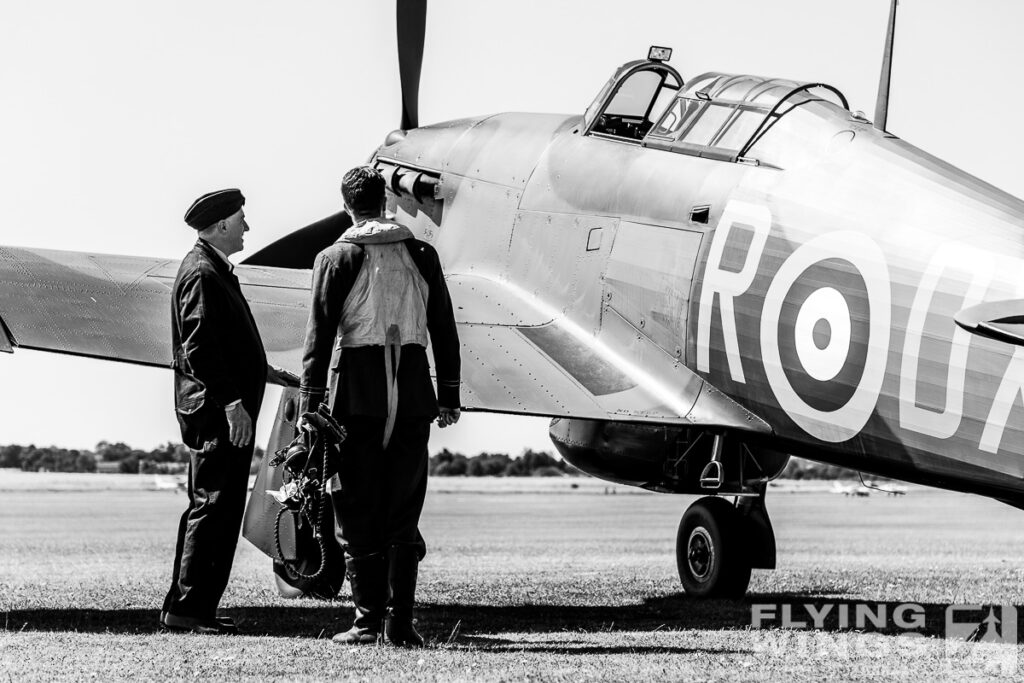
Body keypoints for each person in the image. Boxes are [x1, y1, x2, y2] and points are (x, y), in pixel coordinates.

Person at [299, 166, 461, 647]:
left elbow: (319, 335)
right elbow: (444, 329)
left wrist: (311, 402)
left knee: (355, 509)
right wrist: (449, 394)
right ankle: (402, 625)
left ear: (348, 206)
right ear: (386, 200)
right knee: (404, 511)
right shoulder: (422, 253)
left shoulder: (334, 257)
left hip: (358, 394)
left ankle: (368, 622)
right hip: (412, 393)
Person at [161, 188, 267, 634]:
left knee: (215, 504)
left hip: (215, 407)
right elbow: (200, 346)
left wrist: (267, 371)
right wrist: (233, 403)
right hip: (216, 412)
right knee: (214, 504)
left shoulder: (211, 268)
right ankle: (189, 609)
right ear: (222, 225)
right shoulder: (204, 272)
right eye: (241, 219)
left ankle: (191, 606)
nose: (247, 227)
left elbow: (221, 344)